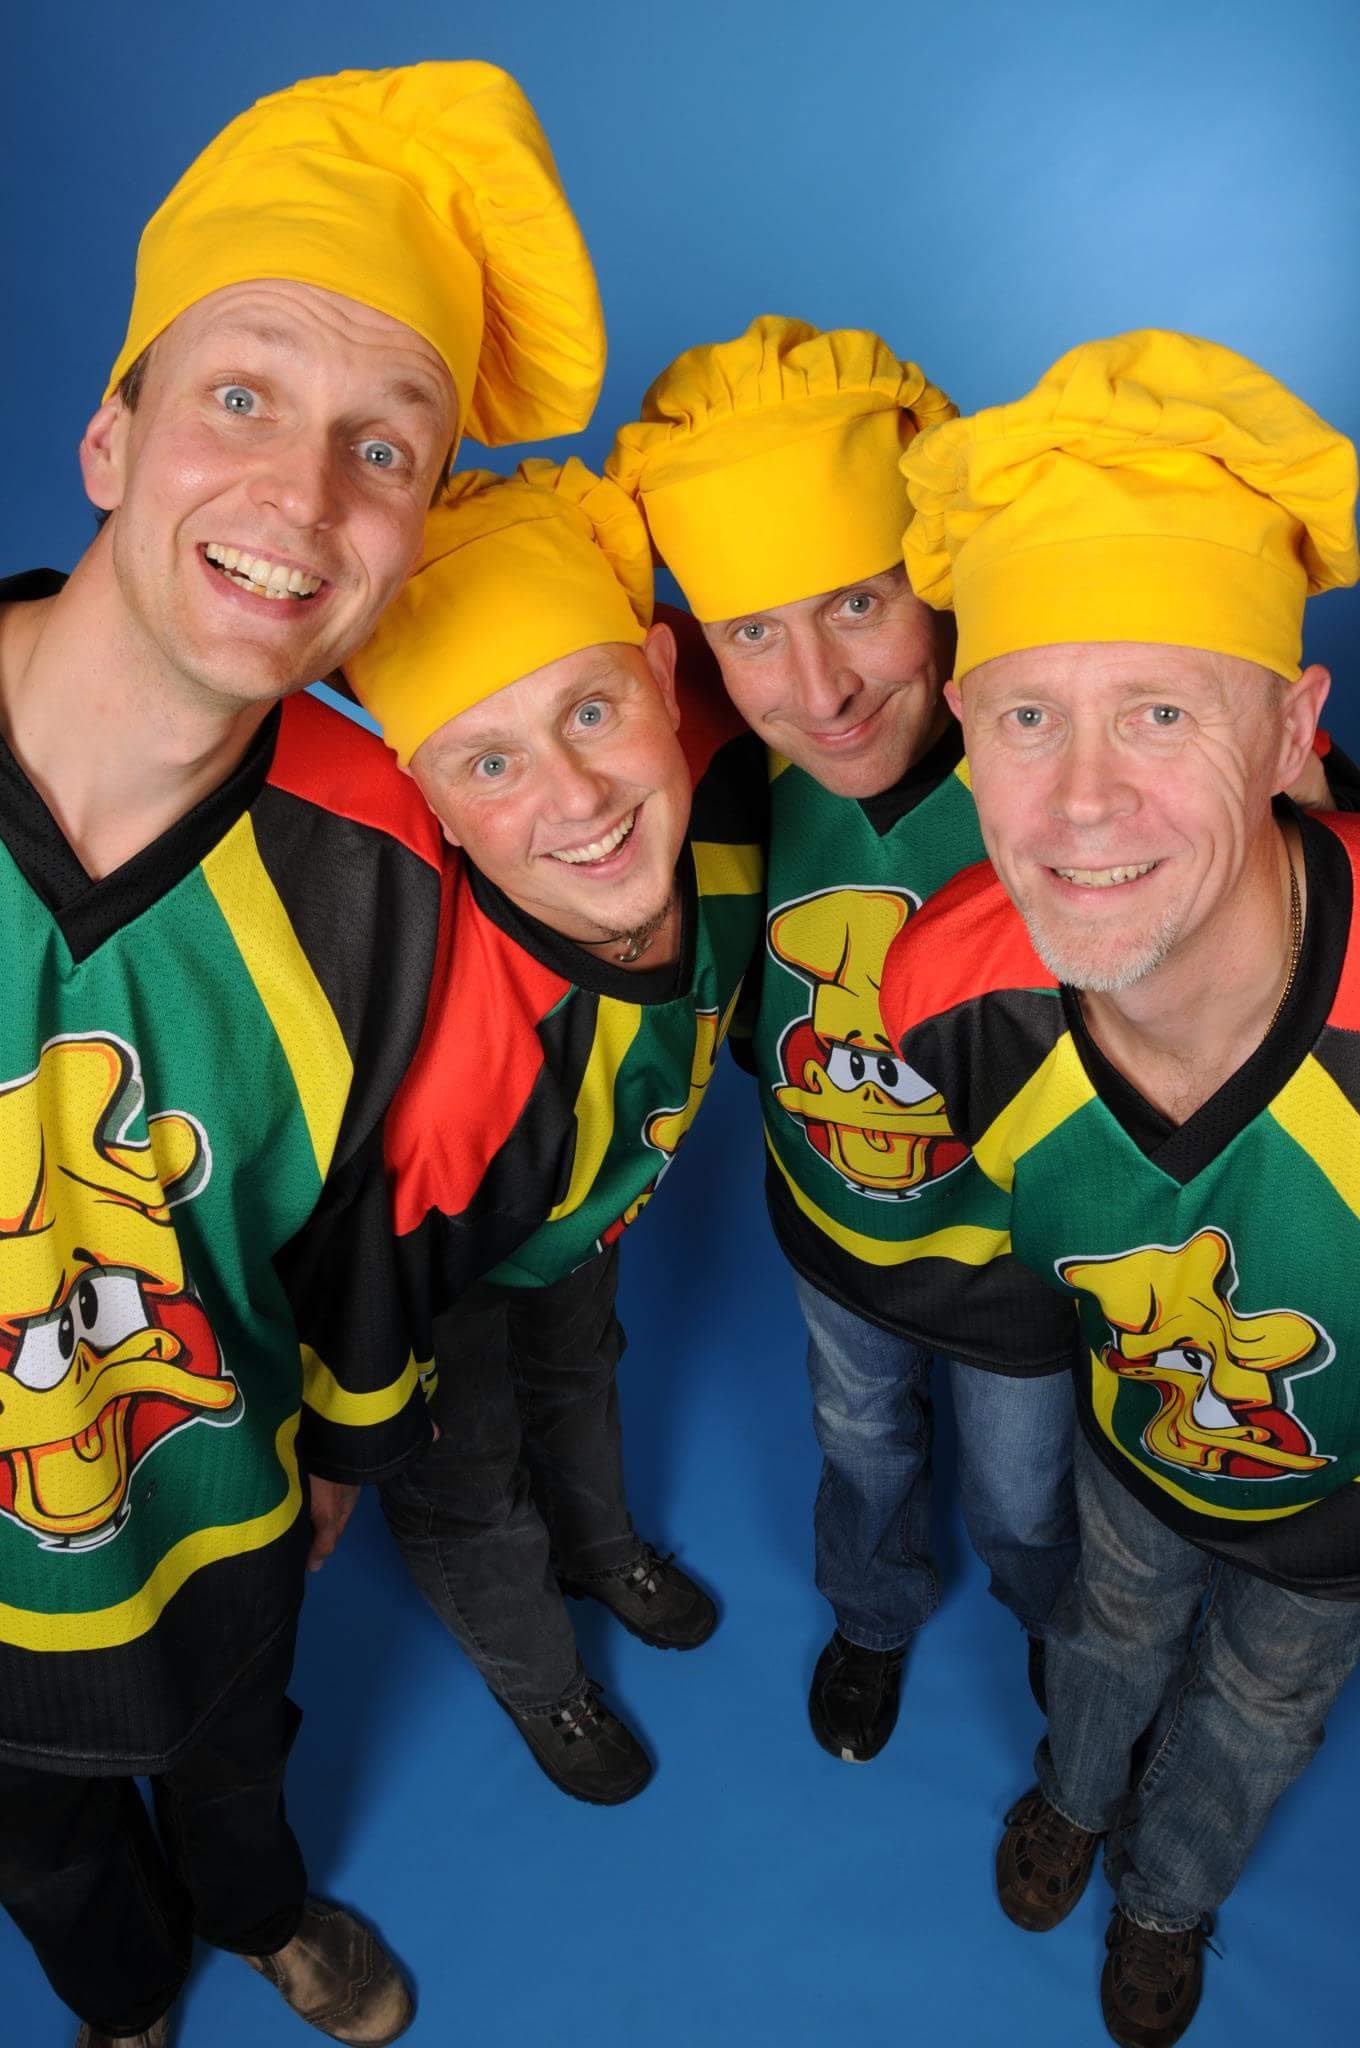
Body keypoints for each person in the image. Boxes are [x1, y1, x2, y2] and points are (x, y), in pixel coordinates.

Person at [0, 60, 604, 2048]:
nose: (302, 498)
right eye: (242, 397)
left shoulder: (389, 865)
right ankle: (122, 1997)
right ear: (111, 435)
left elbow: (366, 1215)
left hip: (217, 1492)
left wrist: (342, 1443)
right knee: (39, 1835)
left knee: (238, 1741)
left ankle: (261, 1912)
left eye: (385, 446)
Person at [879, 329, 1360, 2046]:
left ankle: (1167, 1896)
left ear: (1291, 730)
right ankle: (1075, 1797)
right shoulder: (944, 1003)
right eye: (1030, 716)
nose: (1081, 803)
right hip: (1133, 1451)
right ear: (965, 732)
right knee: (1105, 1634)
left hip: (1335, 1529)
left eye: (1161, 711)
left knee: (1259, 1708)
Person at [606, 317, 1079, 1764]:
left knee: (1026, 1491)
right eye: (753, 630)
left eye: (860, 602)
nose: (821, 689)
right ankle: (871, 1611)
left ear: (938, 578)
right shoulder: (722, 783)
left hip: (1017, 1264)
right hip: (836, 1234)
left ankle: (1061, 1630)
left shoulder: (1061, 763)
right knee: (860, 1440)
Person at [345, 459, 766, 1805]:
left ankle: (603, 1545)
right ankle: (543, 1678)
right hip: (433, 1271)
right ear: (429, 800)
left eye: (592, 710)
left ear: (664, 678)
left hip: (584, 1217)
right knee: (465, 1473)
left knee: (582, 1370)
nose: (579, 799)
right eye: (491, 761)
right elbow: (363, 1309)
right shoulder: (455, 1086)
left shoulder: (733, 788)